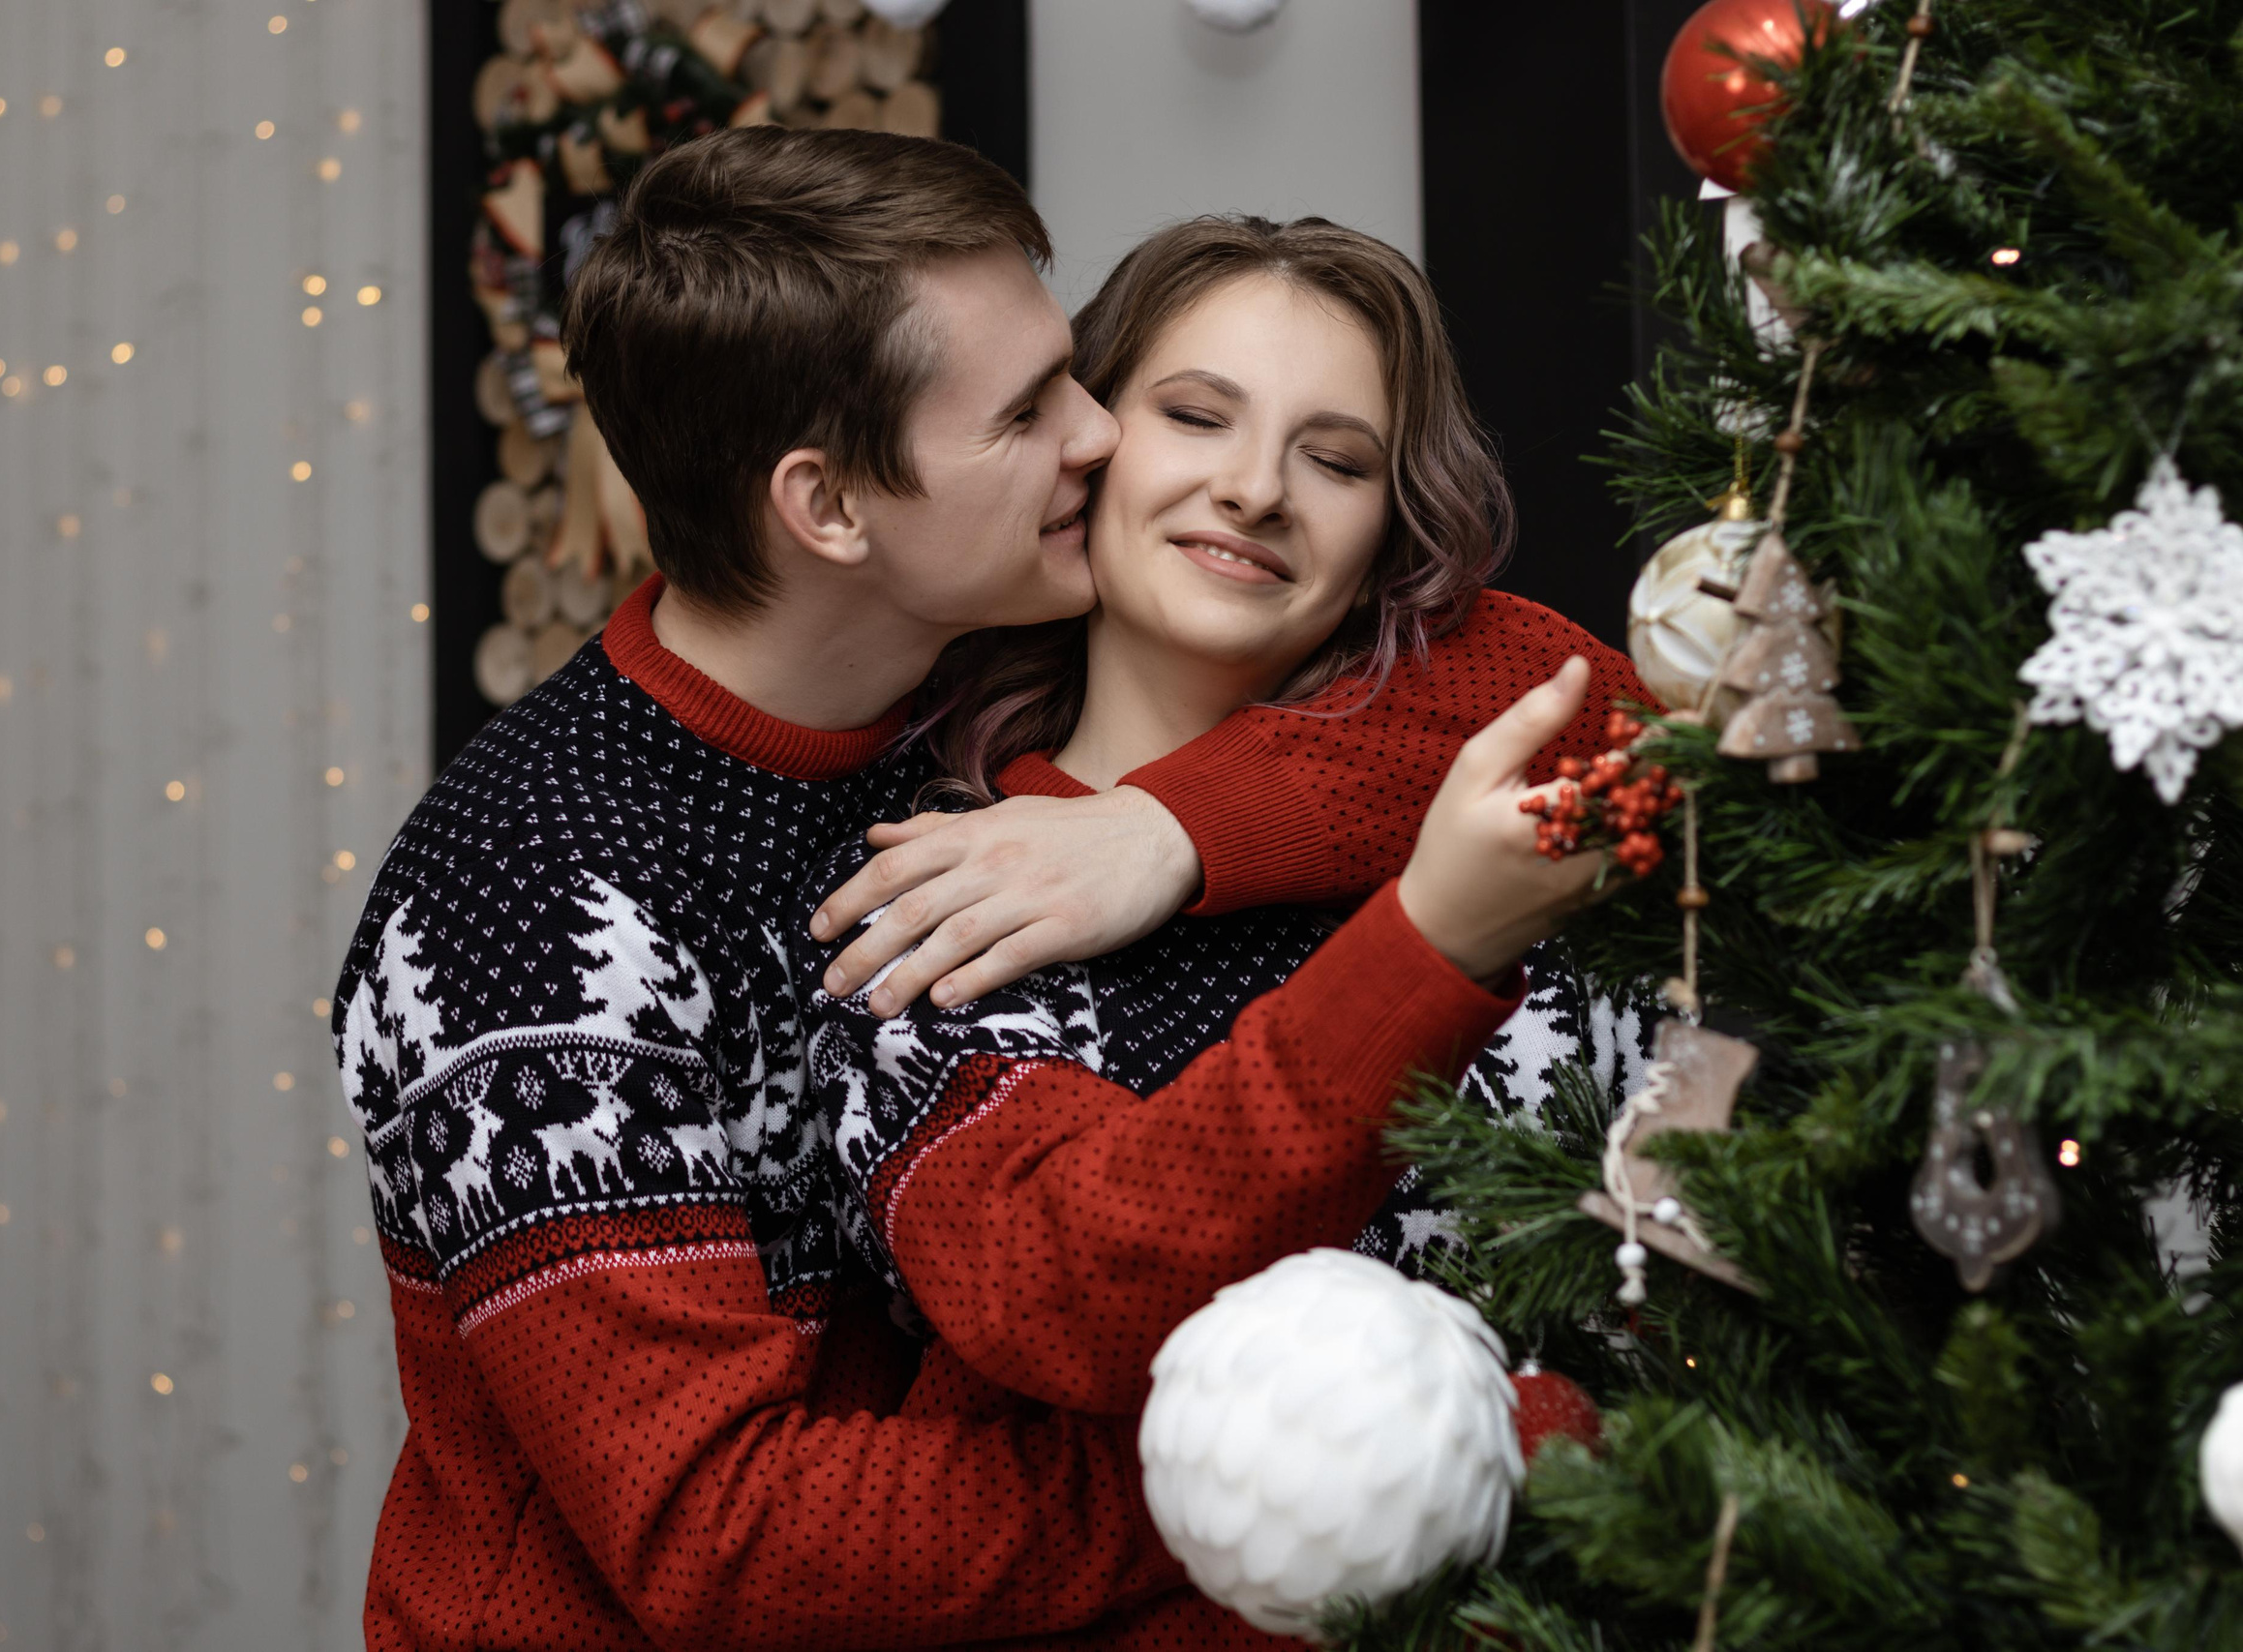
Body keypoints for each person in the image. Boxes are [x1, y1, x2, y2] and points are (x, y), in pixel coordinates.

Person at [333, 127, 1617, 1651]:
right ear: (833, 511)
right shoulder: (533, 891)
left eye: (1078, 373)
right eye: (1030, 411)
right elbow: (727, 1536)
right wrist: (1371, 1474)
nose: (1101, 435)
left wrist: (1167, 828)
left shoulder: (970, 671)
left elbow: (1573, 696)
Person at [787, 216, 1650, 1444]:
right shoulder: (934, 889)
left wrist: (1173, 827)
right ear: (1084, 445)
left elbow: (1636, 718)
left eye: (1338, 462)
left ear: (1387, 531)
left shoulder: (1485, 783)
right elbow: (1059, 1294)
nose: (1254, 490)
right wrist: (1428, 948)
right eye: (1195, 416)